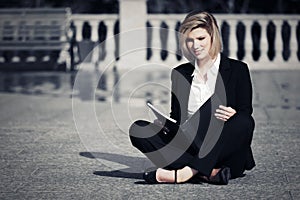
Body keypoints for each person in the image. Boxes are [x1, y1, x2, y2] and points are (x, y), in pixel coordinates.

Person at [129, 11, 255, 184]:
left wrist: (233, 115)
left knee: (243, 120)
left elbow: (245, 112)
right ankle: (207, 173)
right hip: (190, 146)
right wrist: (166, 125)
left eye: (201, 39)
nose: (195, 45)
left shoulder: (238, 70)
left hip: (223, 149)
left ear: (213, 37)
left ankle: (184, 173)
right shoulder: (180, 73)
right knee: (139, 130)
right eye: (190, 40)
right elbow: (177, 118)